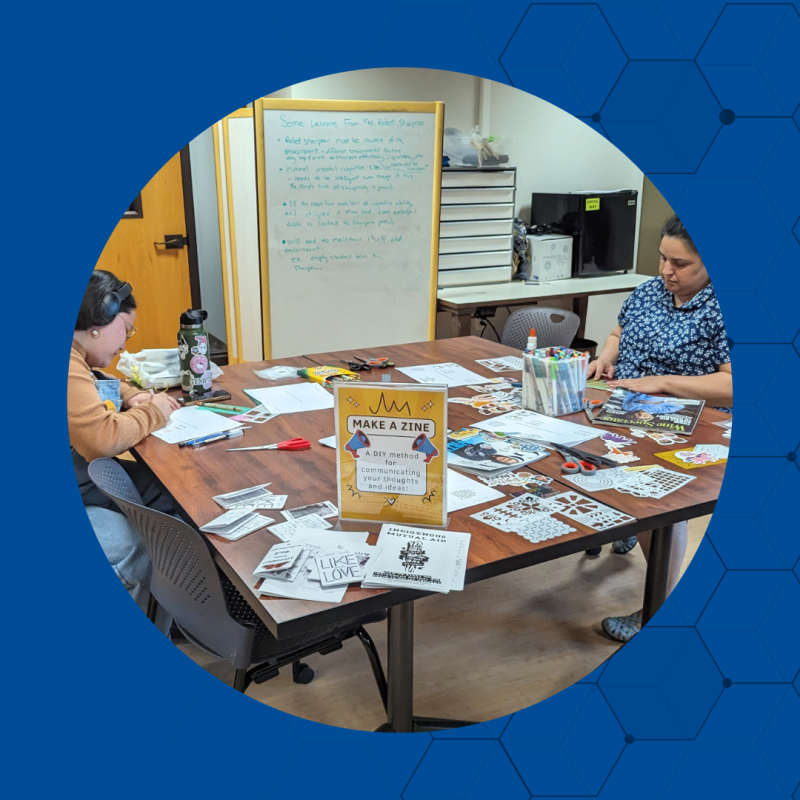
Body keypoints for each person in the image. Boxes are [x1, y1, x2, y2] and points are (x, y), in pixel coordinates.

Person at [586, 215, 732, 642]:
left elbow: (736, 385)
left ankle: (663, 610)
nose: (667, 271)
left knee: (654, 497)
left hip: (693, 423)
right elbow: (618, 332)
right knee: (574, 448)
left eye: (680, 263)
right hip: (627, 406)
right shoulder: (651, 290)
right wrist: (606, 357)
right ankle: (630, 525)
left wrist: (663, 383)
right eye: (663, 258)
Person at [69, 270, 180, 612]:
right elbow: (102, 439)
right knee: (148, 529)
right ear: (99, 322)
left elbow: (96, 381)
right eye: (126, 329)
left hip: (81, 476)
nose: (125, 344)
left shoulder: (75, 356)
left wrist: (132, 396)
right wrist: (155, 411)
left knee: (166, 493)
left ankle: (174, 603)